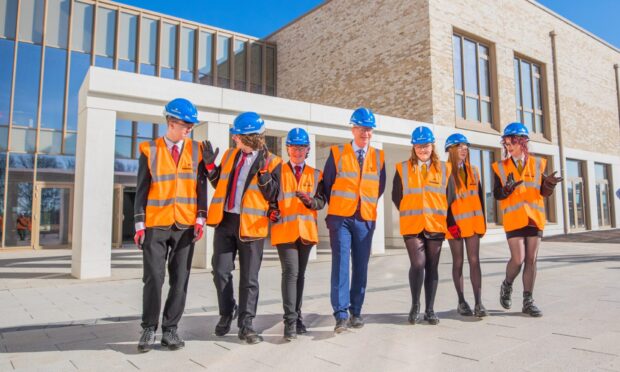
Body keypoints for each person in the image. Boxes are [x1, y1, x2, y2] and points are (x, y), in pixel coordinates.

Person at [133, 98, 208, 352]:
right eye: (186, 124)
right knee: (153, 277)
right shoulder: (149, 149)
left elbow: (200, 187)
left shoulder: (197, 150)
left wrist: (200, 217)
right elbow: (141, 189)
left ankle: (170, 330)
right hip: (155, 224)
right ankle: (148, 328)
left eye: (191, 125)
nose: (189, 129)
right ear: (171, 122)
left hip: (185, 225)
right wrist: (139, 224)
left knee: (180, 279)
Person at [204, 112, 282, 344]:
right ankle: (228, 311)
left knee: (249, 278)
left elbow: (274, 195)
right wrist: (210, 166)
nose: (234, 139)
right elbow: (220, 183)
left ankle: (246, 324)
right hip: (225, 221)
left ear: (252, 137)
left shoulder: (273, 162)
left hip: (252, 226)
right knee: (220, 271)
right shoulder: (229, 155)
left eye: (237, 136)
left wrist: (265, 176)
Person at [323, 107, 386, 333]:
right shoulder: (337, 153)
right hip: (340, 219)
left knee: (361, 266)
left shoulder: (379, 157)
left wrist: (363, 203)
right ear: (353, 129)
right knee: (340, 264)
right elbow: (328, 183)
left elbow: (380, 187)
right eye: (361, 128)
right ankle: (341, 314)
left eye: (368, 129)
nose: (365, 133)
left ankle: (355, 312)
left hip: (365, 220)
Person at [492, 122, 562, 317]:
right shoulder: (500, 167)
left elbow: (543, 193)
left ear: (522, 142)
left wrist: (549, 185)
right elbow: (497, 194)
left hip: (534, 219)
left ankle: (528, 301)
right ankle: (507, 285)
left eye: (512, 142)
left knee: (531, 259)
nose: (508, 146)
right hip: (514, 219)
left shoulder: (538, 164)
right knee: (518, 258)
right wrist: (507, 190)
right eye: (506, 143)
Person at [271, 128, 327, 341]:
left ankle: (298, 316)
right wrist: (271, 210)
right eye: (293, 148)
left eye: (301, 148)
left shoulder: (315, 174)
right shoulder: (277, 171)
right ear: (287, 149)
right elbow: (270, 198)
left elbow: (321, 201)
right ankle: (290, 322)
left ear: (308, 150)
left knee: (299, 276)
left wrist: (310, 201)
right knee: (291, 273)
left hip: (305, 232)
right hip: (285, 231)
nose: (297, 151)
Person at [392, 126, 451, 325]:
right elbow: (396, 196)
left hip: (435, 225)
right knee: (418, 264)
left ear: (432, 146)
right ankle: (415, 305)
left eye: (425, 145)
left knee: (432, 267)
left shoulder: (444, 168)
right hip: (412, 225)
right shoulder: (402, 168)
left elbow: (449, 197)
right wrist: (412, 209)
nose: (422, 150)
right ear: (413, 147)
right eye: (418, 146)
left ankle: (430, 310)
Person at [444, 133, 487, 317]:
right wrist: (449, 223)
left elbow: (480, 197)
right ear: (450, 150)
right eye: (459, 146)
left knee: (475, 260)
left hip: (473, 224)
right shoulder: (444, 171)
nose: (464, 149)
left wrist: (483, 221)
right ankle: (461, 301)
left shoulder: (474, 171)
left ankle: (478, 303)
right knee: (458, 262)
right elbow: (442, 201)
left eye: (466, 146)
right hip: (454, 225)